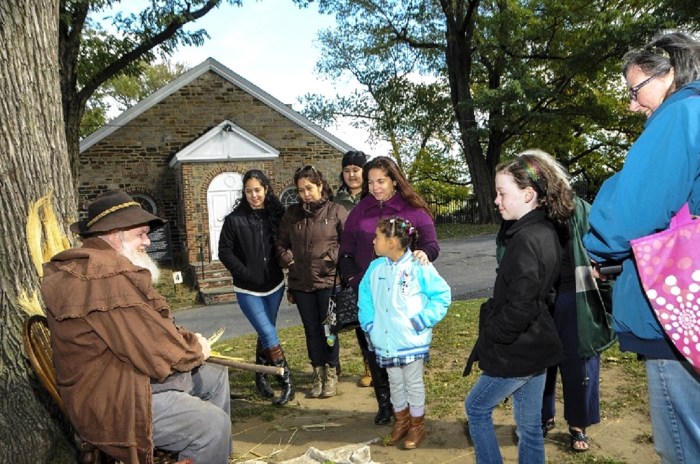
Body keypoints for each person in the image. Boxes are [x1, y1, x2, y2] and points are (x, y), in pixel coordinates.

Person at [41, 190, 232, 464]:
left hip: (123, 377)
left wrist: (189, 346)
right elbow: (155, 350)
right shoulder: (103, 278)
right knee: (212, 425)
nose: (147, 241)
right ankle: (206, 442)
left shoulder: (102, 268)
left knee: (214, 376)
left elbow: (153, 331)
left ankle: (206, 455)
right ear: (114, 233)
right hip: (112, 401)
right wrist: (196, 349)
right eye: (141, 234)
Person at [583, 32, 700, 463]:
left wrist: (595, 247)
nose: (633, 105)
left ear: (668, 72)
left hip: (678, 314)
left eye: (635, 90)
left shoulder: (681, 113)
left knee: (683, 442)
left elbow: (633, 210)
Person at [496, 151, 616, 452]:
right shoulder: (519, 213)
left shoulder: (577, 210)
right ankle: (540, 416)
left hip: (573, 298)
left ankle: (578, 424)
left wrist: (603, 273)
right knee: (539, 361)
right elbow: (505, 254)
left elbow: (605, 249)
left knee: (579, 362)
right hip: (537, 299)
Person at [464, 151, 573, 463]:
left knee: (476, 407)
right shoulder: (546, 230)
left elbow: (521, 307)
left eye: (501, 193)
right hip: (538, 346)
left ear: (528, 195)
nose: (496, 201)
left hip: (519, 349)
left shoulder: (526, 238)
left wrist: (492, 334)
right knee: (529, 426)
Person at [339, 155, 440, 425]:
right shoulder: (360, 211)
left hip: (403, 299)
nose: (375, 187)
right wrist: (354, 281)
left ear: (394, 180)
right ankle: (386, 404)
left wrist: (422, 254)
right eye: (370, 182)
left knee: (405, 361)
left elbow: (432, 245)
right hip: (369, 294)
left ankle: (412, 413)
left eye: (380, 181)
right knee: (374, 351)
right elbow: (345, 251)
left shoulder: (413, 210)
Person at [358, 217, 451, 449]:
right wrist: (370, 324)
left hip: (410, 340)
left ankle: (417, 426)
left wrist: (421, 321)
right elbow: (365, 297)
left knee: (413, 382)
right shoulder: (375, 268)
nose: (373, 241)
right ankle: (401, 421)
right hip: (386, 339)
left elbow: (442, 295)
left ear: (391, 242)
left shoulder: (418, 266)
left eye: (377, 237)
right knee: (395, 382)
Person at [218, 169, 294, 406]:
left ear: (266, 189)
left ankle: (261, 375)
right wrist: (244, 273)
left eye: (257, 190)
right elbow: (224, 252)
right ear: (244, 192)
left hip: (274, 285)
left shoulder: (278, 215)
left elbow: (287, 244)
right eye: (248, 191)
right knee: (269, 332)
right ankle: (286, 380)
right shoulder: (234, 220)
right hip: (247, 290)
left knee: (265, 332)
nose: (254, 195)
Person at [275, 165, 348, 398]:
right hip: (302, 283)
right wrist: (288, 259)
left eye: (309, 188)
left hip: (328, 283)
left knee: (329, 329)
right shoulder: (292, 215)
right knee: (311, 330)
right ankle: (317, 373)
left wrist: (331, 258)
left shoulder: (336, 211)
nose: (305, 193)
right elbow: (280, 243)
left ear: (320, 185)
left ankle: (332, 373)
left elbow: (348, 242)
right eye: (300, 190)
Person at [333, 150, 374, 388]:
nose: (351, 175)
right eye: (347, 170)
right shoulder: (337, 201)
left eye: (356, 170)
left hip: (375, 261)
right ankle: (367, 366)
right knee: (361, 318)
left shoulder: (373, 196)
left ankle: (382, 363)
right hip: (351, 265)